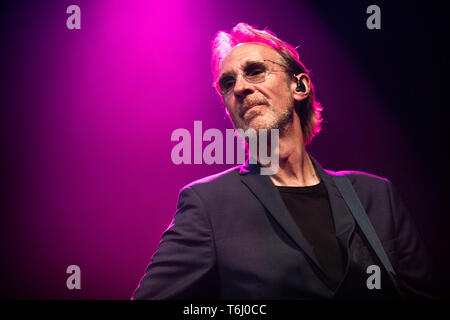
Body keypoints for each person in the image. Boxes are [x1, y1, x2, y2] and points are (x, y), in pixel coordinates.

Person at [132, 23, 436, 299]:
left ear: (299, 87)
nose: (239, 88)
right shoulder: (208, 204)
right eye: (227, 83)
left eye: (254, 71)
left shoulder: (376, 196)